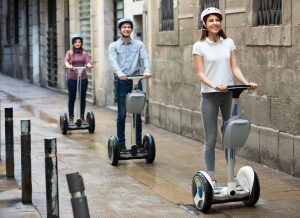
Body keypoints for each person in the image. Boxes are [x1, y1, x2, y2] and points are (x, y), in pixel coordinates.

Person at [192, 7, 257, 190]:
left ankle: (231, 177)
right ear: (204, 24)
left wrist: (246, 82)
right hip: (210, 96)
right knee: (211, 139)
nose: (215, 23)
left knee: (230, 137)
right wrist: (214, 85)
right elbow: (200, 73)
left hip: (228, 94)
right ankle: (211, 178)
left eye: (217, 20)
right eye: (211, 20)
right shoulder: (199, 46)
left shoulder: (228, 42)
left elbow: (234, 68)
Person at [108, 18, 151, 151]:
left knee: (137, 113)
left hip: (136, 81)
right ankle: (121, 144)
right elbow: (113, 61)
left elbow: (145, 58)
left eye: (129, 27)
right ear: (119, 30)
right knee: (121, 114)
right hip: (122, 81)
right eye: (124, 27)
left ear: (131, 29)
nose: (126, 29)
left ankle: (138, 143)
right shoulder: (113, 46)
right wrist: (119, 73)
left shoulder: (139, 45)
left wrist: (147, 70)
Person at [64, 34, 93, 123]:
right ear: (73, 43)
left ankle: (81, 116)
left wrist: (89, 65)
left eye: (79, 42)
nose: (77, 43)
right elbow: (66, 61)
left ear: (81, 43)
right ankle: (71, 116)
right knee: (72, 97)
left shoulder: (84, 53)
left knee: (82, 97)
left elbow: (87, 62)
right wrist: (68, 66)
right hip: (72, 78)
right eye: (76, 42)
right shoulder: (70, 53)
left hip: (83, 78)